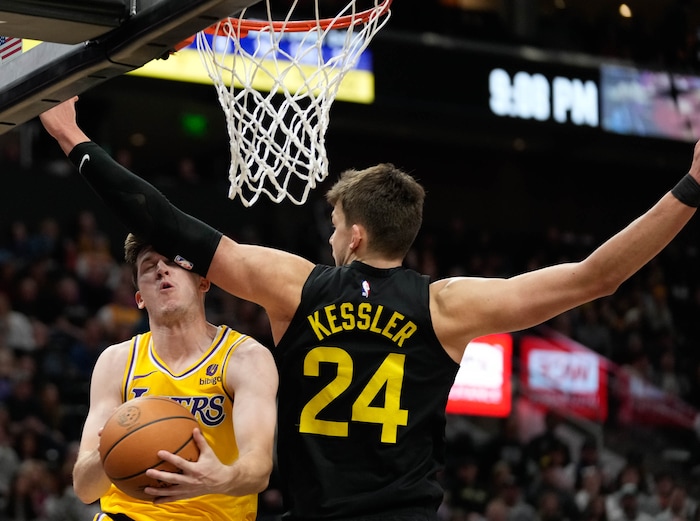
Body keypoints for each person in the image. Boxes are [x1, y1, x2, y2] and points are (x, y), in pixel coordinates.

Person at [39, 97, 700, 521]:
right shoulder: (447, 306)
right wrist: (691, 185)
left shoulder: (297, 286)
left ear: (353, 233)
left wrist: (74, 139)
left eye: (333, 224)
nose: (329, 235)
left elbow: (171, 224)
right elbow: (598, 276)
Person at [69, 233, 278, 520]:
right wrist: (108, 452)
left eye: (174, 262)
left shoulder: (245, 358)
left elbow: (258, 470)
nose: (161, 270)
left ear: (203, 281)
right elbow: (84, 489)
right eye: (148, 266)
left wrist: (220, 476)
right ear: (140, 298)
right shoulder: (116, 362)